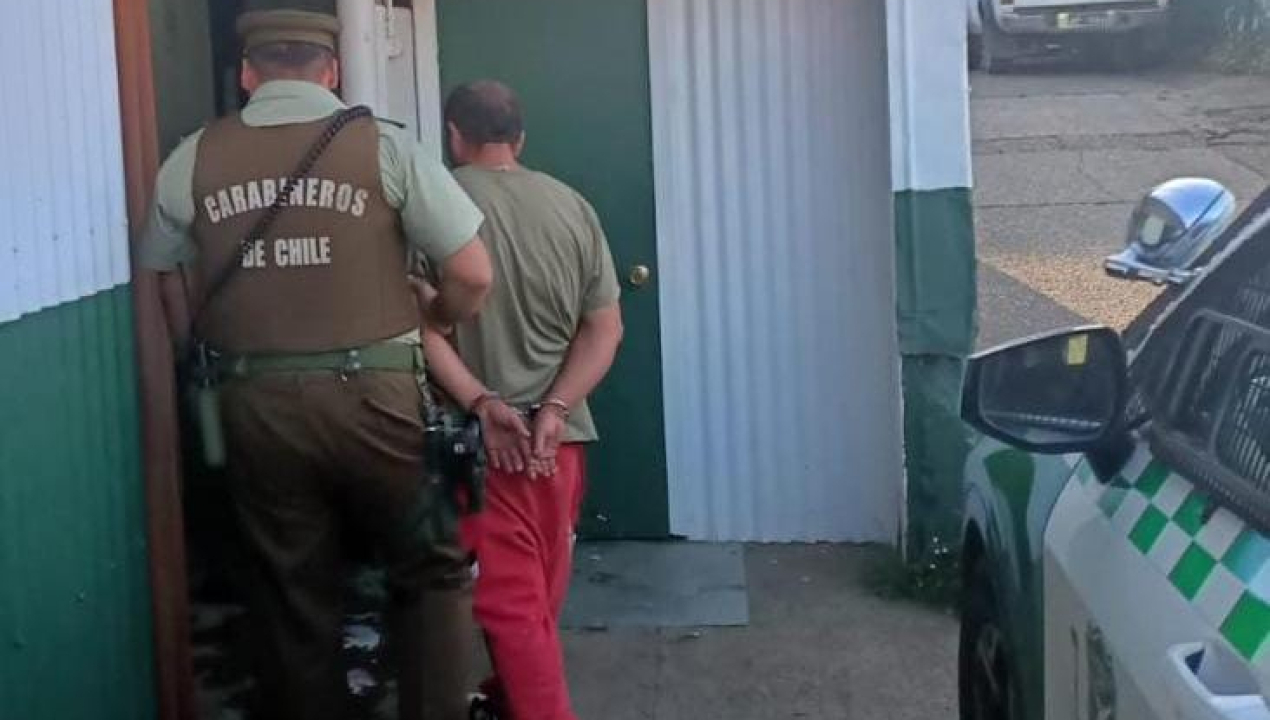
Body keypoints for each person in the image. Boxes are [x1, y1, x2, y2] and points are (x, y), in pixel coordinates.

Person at [138, 10, 493, 720]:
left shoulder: (191, 157)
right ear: (331, 71)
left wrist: (197, 350)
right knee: (430, 571)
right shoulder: (384, 147)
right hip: (382, 409)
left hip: (254, 409)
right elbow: (473, 272)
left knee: (291, 590)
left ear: (247, 73)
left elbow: (164, 276)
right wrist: (440, 315)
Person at [418, 81, 624, 720]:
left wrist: (483, 403)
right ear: (520, 137)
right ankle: (505, 703)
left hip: (487, 447)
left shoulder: (438, 208)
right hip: (560, 447)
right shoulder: (572, 206)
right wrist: (556, 409)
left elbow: (424, 332)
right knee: (537, 604)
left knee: (512, 610)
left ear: (455, 136)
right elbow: (605, 328)